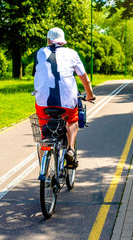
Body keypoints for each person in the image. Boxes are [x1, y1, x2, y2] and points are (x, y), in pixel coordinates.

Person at [33, 27, 95, 168]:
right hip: (67, 101)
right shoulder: (72, 53)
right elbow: (84, 78)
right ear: (62, 41)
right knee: (72, 119)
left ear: (48, 40)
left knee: (44, 130)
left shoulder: (39, 53)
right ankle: (71, 149)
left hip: (43, 101)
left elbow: (38, 74)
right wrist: (90, 95)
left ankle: (45, 171)